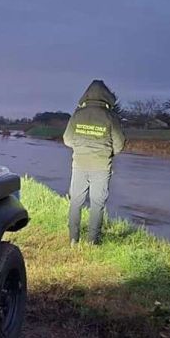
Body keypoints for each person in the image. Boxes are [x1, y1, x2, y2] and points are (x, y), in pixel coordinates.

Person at [62, 80, 125, 245]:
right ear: (107, 97)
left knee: (75, 202)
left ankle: (73, 239)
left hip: (79, 165)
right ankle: (92, 241)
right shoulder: (110, 116)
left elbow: (67, 140)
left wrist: (81, 147)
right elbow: (119, 144)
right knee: (97, 204)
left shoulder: (77, 114)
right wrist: (106, 152)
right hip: (101, 166)